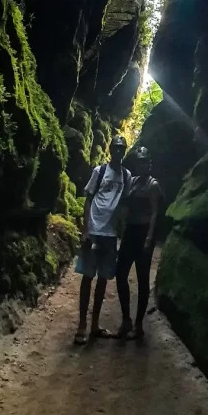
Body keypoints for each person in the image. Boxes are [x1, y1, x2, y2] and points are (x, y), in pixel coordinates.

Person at [74, 135, 131, 345]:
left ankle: (95, 325)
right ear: (110, 149)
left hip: (110, 235)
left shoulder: (126, 175)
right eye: (115, 148)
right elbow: (88, 199)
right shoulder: (99, 172)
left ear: (124, 151)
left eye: (121, 149)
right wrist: (86, 229)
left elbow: (124, 204)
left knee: (102, 280)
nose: (118, 151)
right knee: (87, 277)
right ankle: (81, 325)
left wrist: (121, 229)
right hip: (95, 230)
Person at [116, 146, 162, 340]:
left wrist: (149, 238)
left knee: (142, 279)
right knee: (120, 274)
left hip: (144, 233)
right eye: (138, 162)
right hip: (131, 232)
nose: (141, 164)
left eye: (144, 161)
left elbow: (154, 213)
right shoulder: (133, 182)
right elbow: (125, 204)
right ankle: (126, 319)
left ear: (148, 163)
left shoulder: (153, 185)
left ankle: (138, 324)